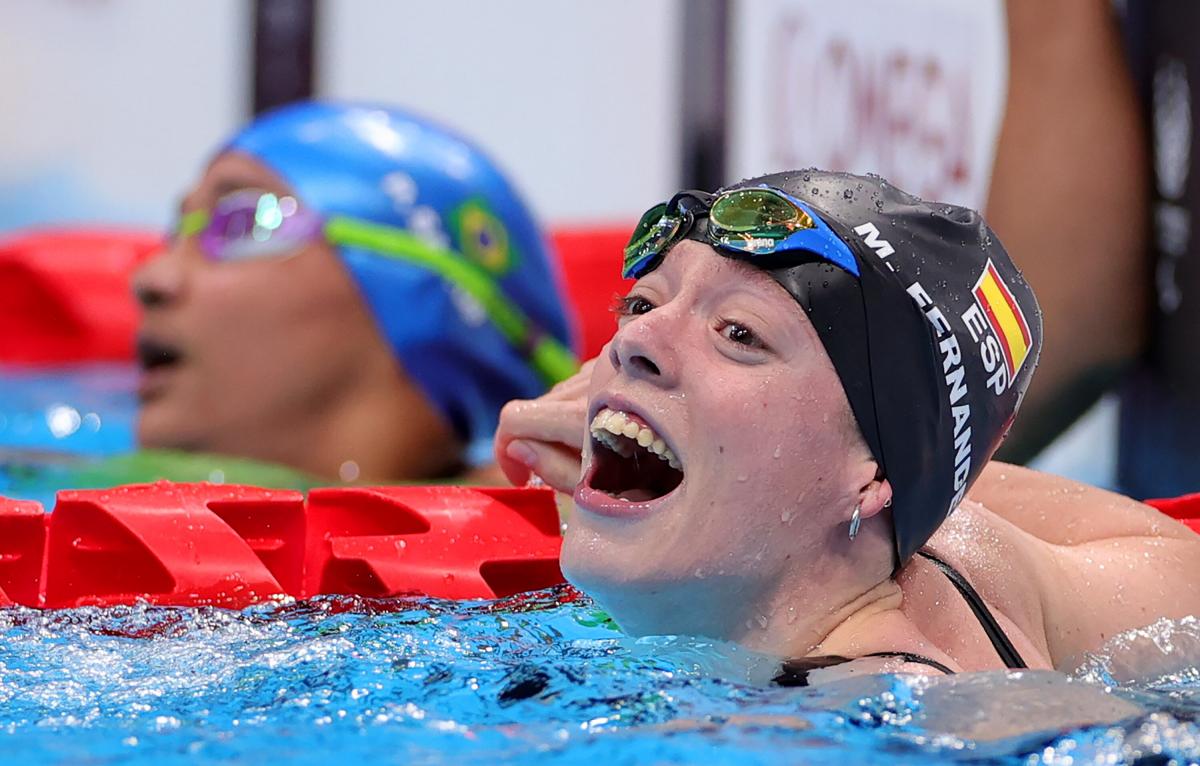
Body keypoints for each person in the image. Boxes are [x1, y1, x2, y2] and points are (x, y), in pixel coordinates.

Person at [495, 169, 1200, 680]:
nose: (628, 345)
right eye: (645, 304)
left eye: (740, 334)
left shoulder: (905, 714)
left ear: (873, 479)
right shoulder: (962, 544)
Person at [132, 101, 576, 483]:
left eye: (243, 222)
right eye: (177, 233)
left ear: (422, 298)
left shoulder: (578, 545)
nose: (152, 278)